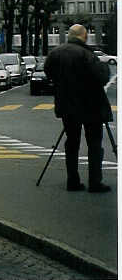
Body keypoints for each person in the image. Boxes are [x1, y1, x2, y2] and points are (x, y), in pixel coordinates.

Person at [44, 24, 112, 192]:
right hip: (91, 105)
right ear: (84, 36)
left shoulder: (55, 53)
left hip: (67, 105)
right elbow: (102, 77)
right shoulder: (87, 54)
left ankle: (72, 181)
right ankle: (95, 182)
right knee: (94, 143)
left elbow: (48, 72)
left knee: (72, 143)